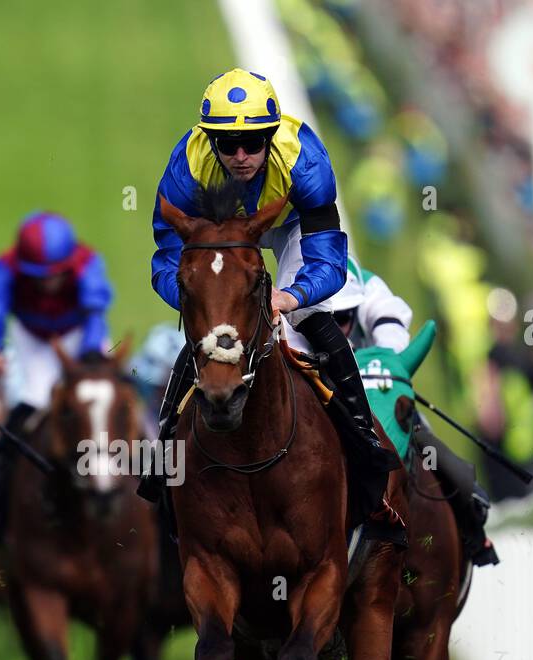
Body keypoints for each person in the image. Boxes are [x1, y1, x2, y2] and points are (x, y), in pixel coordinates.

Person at [142, 68, 401, 538]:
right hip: (217, 231)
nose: (241, 156)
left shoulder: (305, 162)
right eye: (227, 144)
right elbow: (166, 259)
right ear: (209, 141)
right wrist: (204, 301)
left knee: (305, 323)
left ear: (272, 135)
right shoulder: (186, 170)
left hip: (290, 223)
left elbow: (327, 260)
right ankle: (163, 457)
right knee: (207, 336)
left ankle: (366, 450)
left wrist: (291, 295)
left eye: (254, 143)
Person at [328, 273, 498, 565]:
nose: (335, 327)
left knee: (443, 461)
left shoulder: (373, 293)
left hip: (385, 405)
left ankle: (473, 529)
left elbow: (392, 344)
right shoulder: (297, 287)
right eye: (327, 318)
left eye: (342, 317)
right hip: (331, 406)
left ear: (357, 309)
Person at [0, 211, 113, 509]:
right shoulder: (6, 266)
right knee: (33, 399)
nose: (49, 284)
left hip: (79, 333)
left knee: (106, 396)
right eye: (40, 278)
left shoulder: (87, 262)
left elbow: (95, 314)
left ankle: (144, 462)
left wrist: (90, 354)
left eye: (57, 275)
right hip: (33, 337)